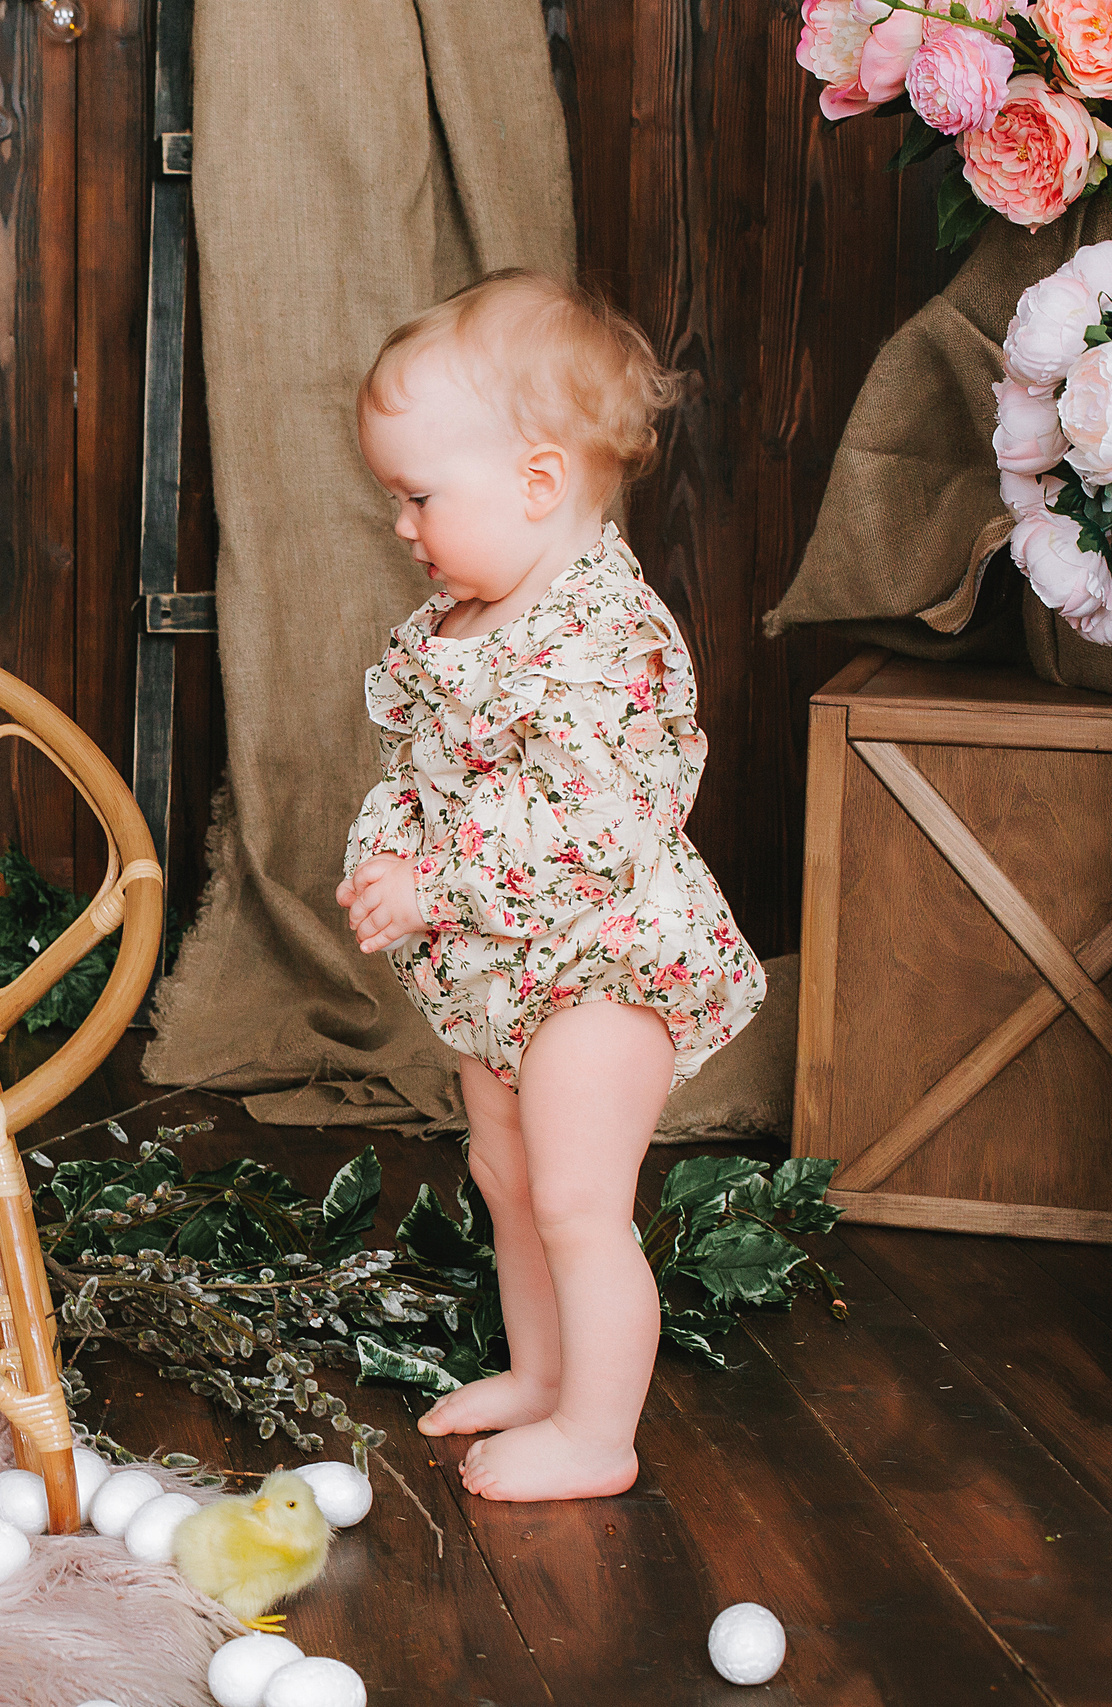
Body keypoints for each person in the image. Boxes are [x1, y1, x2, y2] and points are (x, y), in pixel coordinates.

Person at [334, 270, 765, 1502]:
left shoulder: (601, 632)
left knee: (578, 1198)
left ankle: (597, 1433)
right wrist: (389, 853)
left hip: (600, 959)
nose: (402, 527)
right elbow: (420, 771)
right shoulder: (456, 626)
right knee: (507, 1178)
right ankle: (540, 1374)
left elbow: (588, 821)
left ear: (536, 483)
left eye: (418, 497)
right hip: (497, 966)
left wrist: (439, 881)